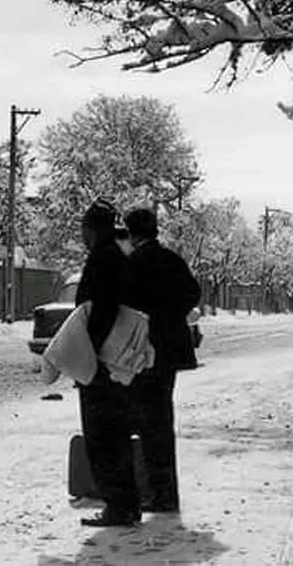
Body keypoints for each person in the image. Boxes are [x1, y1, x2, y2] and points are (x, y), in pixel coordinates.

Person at [123, 206, 201, 514]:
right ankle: (167, 492)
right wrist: (170, 315)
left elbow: (126, 306)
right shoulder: (171, 260)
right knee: (161, 420)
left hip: (142, 351)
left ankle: (156, 492)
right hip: (170, 352)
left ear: (132, 233)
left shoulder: (134, 264)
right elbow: (192, 293)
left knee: (145, 421)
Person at [74, 199, 140, 527]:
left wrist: (88, 355)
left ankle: (120, 505)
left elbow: (99, 312)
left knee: (104, 436)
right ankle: (124, 503)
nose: (82, 235)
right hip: (112, 362)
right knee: (113, 435)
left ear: (92, 229)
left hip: (102, 363)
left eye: (84, 229)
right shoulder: (115, 256)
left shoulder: (103, 259)